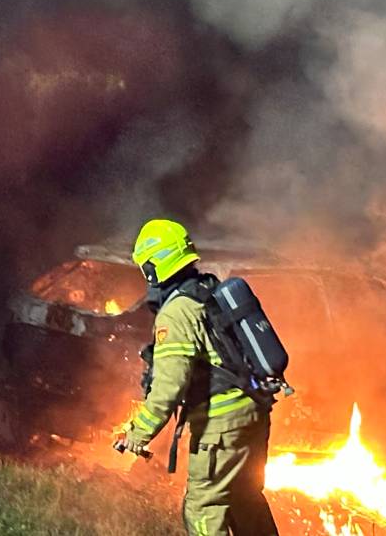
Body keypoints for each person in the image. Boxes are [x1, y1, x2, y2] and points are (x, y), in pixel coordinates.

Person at [116, 219, 279, 535]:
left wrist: (137, 434)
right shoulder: (210, 290)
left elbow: (169, 387)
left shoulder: (176, 313)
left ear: (152, 268)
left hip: (221, 426)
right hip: (253, 412)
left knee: (204, 508)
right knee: (245, 497)